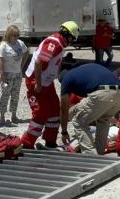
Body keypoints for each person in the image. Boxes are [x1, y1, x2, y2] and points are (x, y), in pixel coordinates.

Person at [21, 21, 80, 149]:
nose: (71, 41)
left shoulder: (58, 42)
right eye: (72, 38)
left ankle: (50, 140)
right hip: (37, 81)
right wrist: (38, 84)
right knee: (40, 113)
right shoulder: (54, 43)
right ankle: (26, 143)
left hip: (46, 81)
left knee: (54, 110)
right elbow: (38, 63)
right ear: (68, 35)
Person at [59, 63, 120, 155]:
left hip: (103, 93)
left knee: (78, 121)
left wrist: (64, 132)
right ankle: (99, 152)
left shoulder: (66, 79)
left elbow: (63, 108)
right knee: (103, 120)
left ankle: (90, 154)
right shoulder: (84, 70)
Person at [0, 25, 28, 126]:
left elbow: (26, 52)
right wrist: (2, 73)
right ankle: (2, 116)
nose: (16, 37)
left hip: (17, 73)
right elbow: (0, 60)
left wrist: (22, 65)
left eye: (17, 35)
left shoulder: (20, 43)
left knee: (15, 95)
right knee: (5, 95)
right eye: (14, 35)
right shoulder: (3, 46)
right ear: (9, 35)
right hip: (7, 74)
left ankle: (14, 115)